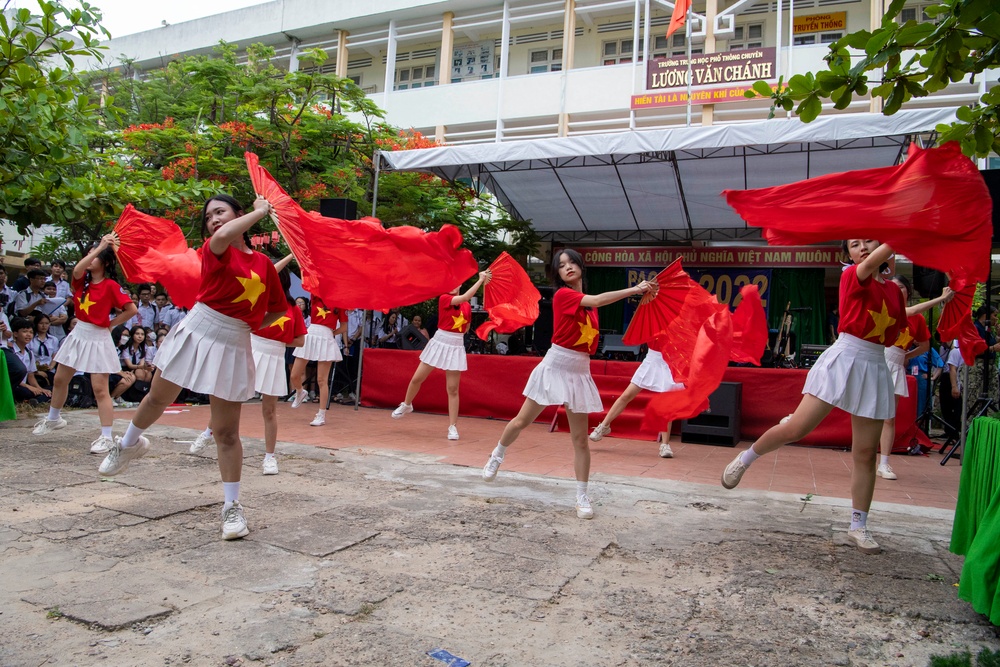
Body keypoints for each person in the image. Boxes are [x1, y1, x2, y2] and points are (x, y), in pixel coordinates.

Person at [96, 194, 287, 542]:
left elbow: (275, 310)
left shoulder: (262, 265)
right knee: (157, 398)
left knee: (226, 432)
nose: (213, 219)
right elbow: (221, 238)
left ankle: (232, 507)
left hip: (235, 340)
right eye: (209, 215)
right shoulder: (217, 248)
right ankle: (128, 445)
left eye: (221, 212)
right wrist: (261, 212)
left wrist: (249, 321)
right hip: (199, 329)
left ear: (237, 214)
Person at [719, 239, 907, 554]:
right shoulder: (851, 275)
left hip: (875, 365)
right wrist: (902, 233)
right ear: (848, 253)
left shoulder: (892, 290)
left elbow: (894, 328)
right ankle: (746, 458)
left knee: (864, 454)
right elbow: (877, 261)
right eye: (854, 244)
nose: (861, 247)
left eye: (867, 242)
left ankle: (858, 525)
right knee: (797, 428)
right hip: (846, 358)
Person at [481, 250, 653, 519]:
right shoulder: (564, 295)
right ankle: (498, 453)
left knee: (580, 440)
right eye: (562, 265)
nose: (568, 267)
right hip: (556, 364)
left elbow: (596, 305)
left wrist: (646, 296)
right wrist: (636, 288)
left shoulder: (590, 306)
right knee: (521, 421)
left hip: (579, 370)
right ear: (558, 274)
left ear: (581, 266)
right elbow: (596, 298)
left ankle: (582, 496)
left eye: (572, 262)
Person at [190, 258, 307, 477]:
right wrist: (290, 255)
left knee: (269, 410)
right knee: (230, 397)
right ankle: (207, 432)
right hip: (251, 348)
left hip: (274, 355)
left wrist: (279, 339)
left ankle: (270, 457)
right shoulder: (258, 298)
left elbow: (300, 340)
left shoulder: (292, 309)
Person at [32, 234, 136, 451]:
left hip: (98, 337)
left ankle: (106, 437)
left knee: (100, 389)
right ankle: (54, 418)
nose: (90, 257)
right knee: (60, 378)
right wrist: (99, 248)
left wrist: (111, 324)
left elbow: (131, 310)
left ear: (106, 263)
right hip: (79, 333)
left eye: (95, 256)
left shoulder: (110, 286)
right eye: (88, 253)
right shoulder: (81, 281)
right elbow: (77, 269)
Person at [391, 271, 492, 440]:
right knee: (417, 378)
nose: (452, 286)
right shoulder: (444, 298)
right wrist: (481, 280)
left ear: (460, 285)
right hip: (439, 341)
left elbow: (466, 327)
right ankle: (406, 404)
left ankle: (452, 426)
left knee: (452, 389)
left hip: (456, 344)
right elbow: (465, 297)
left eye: (455, 283)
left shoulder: (467, 307)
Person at [877, 276, 953, 480]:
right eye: (892, 286)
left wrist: (906, 357)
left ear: (908, 291)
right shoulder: (886, 306)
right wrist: (941, 298)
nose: (896, 289)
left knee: (888, 418)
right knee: (863, 412)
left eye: (900, 287)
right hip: (875, 359)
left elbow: (925, 345)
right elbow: (909, 311)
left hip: (895, 363)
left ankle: (884, 463)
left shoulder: (917, 319)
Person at [588, 343, 684, 458]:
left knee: (666, 404)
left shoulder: (678, 327)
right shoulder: (652, 326)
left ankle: (665, 445)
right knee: (626, 395)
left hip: (669, 362)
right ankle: (603, 426)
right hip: (651, 360)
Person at [289, 294, 347, 426]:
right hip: (311, 335)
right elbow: (308, 278)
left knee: (322, 380)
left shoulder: (341, 304)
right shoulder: (317, 295)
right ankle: (300, 391)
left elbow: (344, 327)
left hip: (326, 337)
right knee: (294, 374)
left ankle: (321, 414)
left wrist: (331, 334)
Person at [8, 317, 51, 403]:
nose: (28, 335)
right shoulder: (10, 352)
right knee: (24, 392)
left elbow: (31, 376)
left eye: (31, 332)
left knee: (50, 390)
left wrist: (40, 389)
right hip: (15, 385)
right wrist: (29, 387)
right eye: (25, 332)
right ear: (15, 334)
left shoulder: (29, 353)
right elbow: (10, 377)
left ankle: (32, 400)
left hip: (26, 384)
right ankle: (32, 400)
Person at [939, 339, 964, 446]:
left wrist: (954, 386)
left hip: (958, 380)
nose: (942, 343)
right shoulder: (943, 349)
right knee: (946, 406)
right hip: (946, 376)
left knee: (957, 408)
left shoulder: (957, 349)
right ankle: (950, 432)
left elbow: (953, 369)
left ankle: (955, 433)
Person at [28, 312, 60, 387]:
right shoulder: (31, 339)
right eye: (41, 323)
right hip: (34, 370)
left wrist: (51, 367)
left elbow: (55, 355)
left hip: (49, 370)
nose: (44, 326)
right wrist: (36, 371)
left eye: (46, 323)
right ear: (36, 324)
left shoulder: (53, 339)